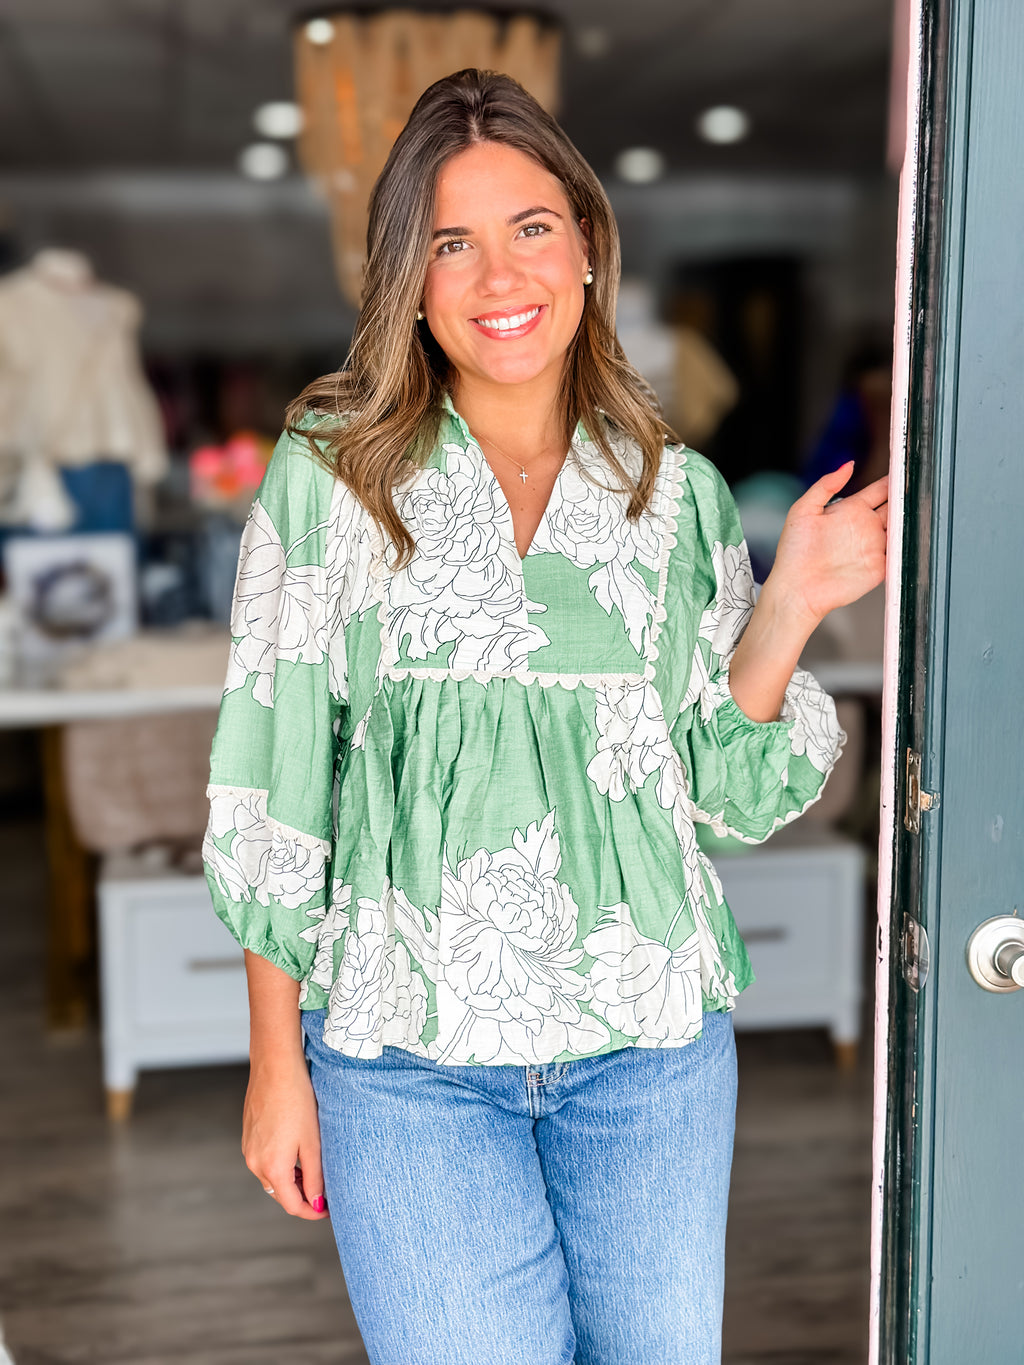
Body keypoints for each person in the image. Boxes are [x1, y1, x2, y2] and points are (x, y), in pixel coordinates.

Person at [202, 69, 888, 1365]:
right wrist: (273, 1060)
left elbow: (721, 793)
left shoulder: (669, 491)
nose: (496, 273)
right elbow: (275, 782)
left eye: (529, 226)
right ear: (410, 277)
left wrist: (788, 603)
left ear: (585, 246)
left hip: (649, 1052)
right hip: (406, 1060)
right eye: (450, 241)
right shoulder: (334, 473)